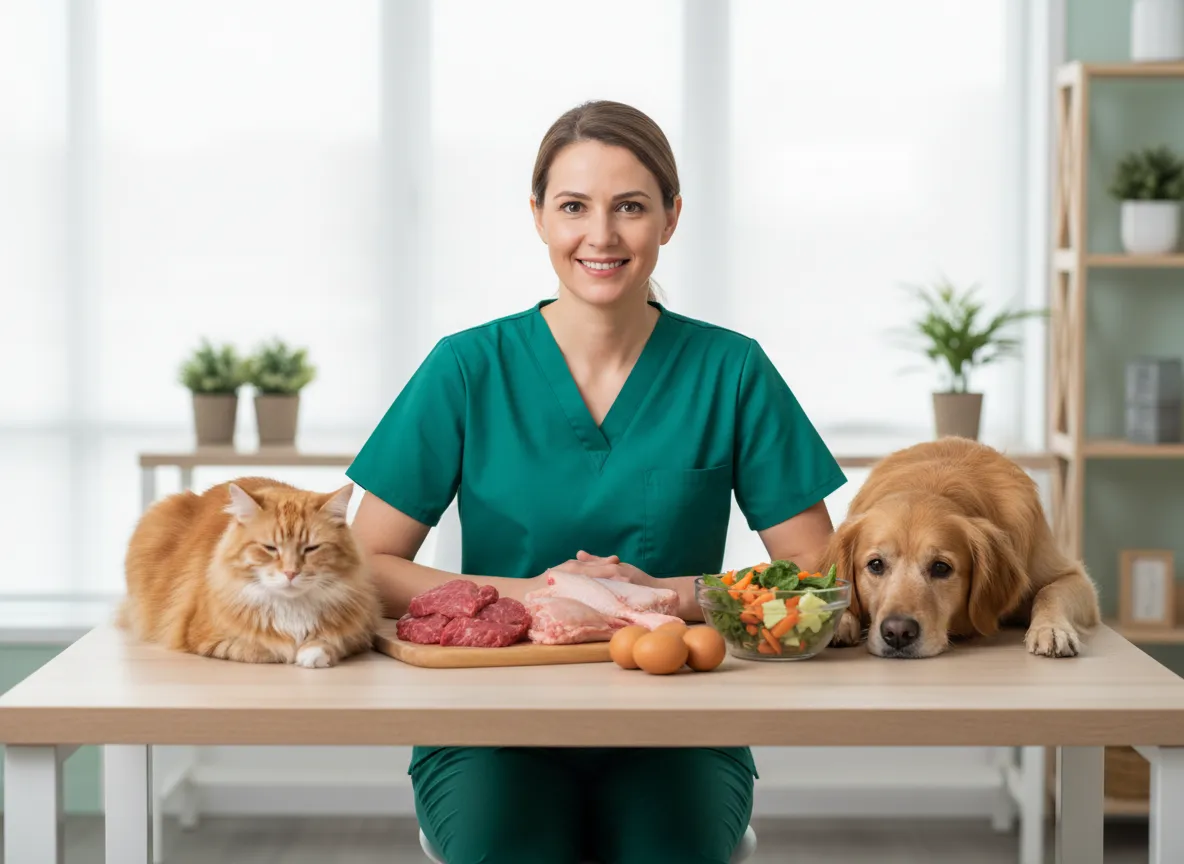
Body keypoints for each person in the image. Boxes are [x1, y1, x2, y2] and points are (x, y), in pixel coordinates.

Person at [347, 99, 847, 864]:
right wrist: (546, 602)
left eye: (631, 208)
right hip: (491, 725)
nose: (602, 236)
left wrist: (657, 598)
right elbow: (366, 563)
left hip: (677, 721)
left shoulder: (732, 370)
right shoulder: (467, 368)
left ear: (671, 218)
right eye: (574, 206)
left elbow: (818, 573)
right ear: (540, 218)